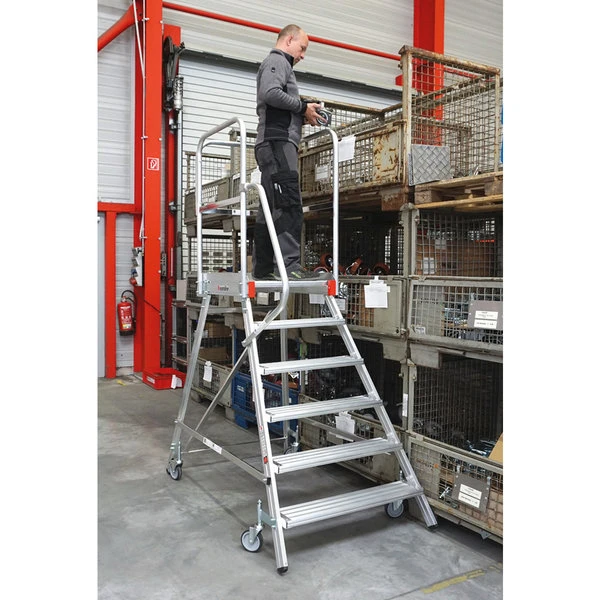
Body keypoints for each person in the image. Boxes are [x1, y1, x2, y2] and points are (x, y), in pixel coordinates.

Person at [252, 24, 328, 280]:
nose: (302, 55)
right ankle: (289, 267)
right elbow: (270, 93)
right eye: (302, 48)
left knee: (270, 206)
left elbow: (277, 103)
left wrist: (303, 114)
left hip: (273, 142)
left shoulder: (279, 64)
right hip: (278, 143)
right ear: (289, 40)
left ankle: (263, 269)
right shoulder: (277, 61)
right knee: (288, 203)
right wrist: (302, 107)